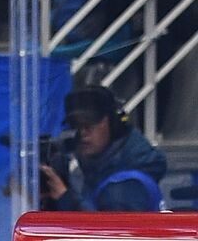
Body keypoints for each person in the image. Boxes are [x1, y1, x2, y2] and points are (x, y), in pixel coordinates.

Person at [42, 84, 168, 212]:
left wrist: (66, 200)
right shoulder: (103, 171)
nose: (83, 132)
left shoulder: (123, 187)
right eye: (76, 125)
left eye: (90, 123)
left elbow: (111, 231)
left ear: (114, 124)